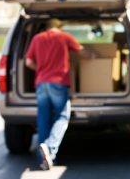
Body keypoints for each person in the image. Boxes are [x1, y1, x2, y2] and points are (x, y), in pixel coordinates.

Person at [25, 18, 96, 170]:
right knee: (62, 116)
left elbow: (28, 62)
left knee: (43, 119)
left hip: (41, 83)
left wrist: (41, 70)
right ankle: (49, 149)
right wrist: (94, 56)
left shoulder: (37, 38)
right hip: (58, 82)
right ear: (59, 26)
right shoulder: (64, 36)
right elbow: (82, 51)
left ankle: (42, 159)